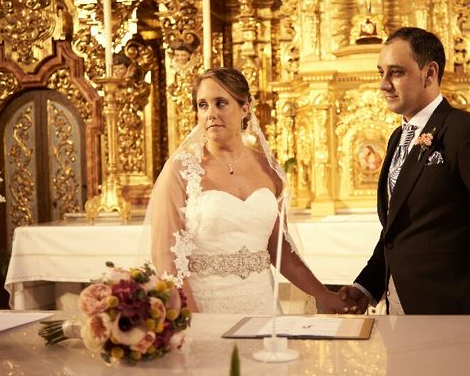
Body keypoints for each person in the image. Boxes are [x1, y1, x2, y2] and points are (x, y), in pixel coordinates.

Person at [339, 27, 470, 315]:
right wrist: (366, 287)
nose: (383, 84)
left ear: (429, 73)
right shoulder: (398, 138)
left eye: (396, 72)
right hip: (400, 315)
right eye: (380, 72)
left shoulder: (469, 133)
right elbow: (397, 231)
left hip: (455, 314)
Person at [147, 67, 345, 314]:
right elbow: (166, 259)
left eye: (221, 103)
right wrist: (192, 320)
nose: (211, 114)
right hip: (206, 308)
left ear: (245, 107)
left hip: (263, 307)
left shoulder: (268, 169)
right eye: (202, 105)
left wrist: (322, 293)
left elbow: (279, 248)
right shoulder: (180, 171)